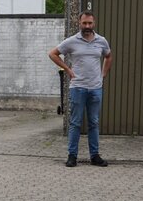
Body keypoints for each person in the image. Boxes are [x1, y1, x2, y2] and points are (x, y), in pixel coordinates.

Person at [48, 10, 113, 167]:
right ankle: (72, 156)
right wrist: (68, 70)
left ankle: (95, 156)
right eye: (84, 23)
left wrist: (103, 74)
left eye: (90, 23)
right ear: (79, 23)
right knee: (75, 123)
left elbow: (108, 56)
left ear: (94, 23)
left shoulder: (101, 41)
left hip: (95, 88)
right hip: (78, 88)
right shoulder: (72, 41)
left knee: (94, 123)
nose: (87, 26)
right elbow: (53, 54)